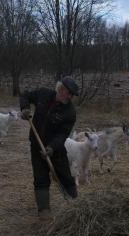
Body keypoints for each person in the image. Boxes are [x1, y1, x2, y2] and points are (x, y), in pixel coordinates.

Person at [20, 76, 79, 219]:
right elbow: (25, 95)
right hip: (36, 144)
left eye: (72, 95)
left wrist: (51, 148)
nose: (70, 97)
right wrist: (25, 108)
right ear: (61, 89)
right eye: (69, 93)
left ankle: (77, 205)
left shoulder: (70, 112)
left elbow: (62, 135)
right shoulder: (43, 94)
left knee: (65, 176)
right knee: (40, 176)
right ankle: (44, 209)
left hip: (55, 150)